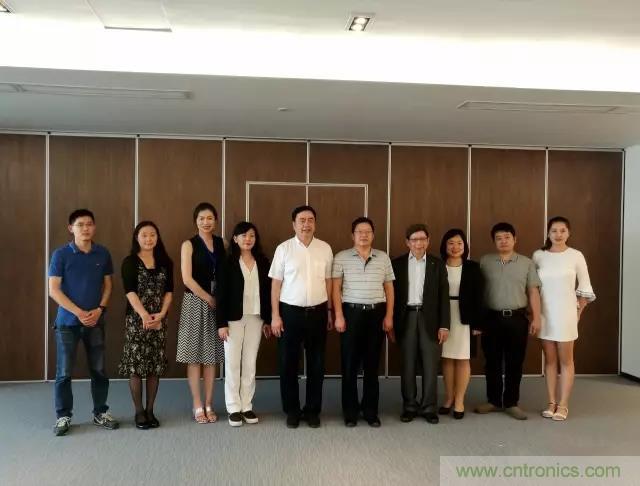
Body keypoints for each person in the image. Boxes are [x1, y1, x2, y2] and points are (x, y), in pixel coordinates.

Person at [48, 209, 119, 436]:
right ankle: (63, 416)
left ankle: (100, 412)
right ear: (71, 228)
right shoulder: (61, 255)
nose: (85, 228)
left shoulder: (102, 253)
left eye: (89, 224)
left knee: (99, 370)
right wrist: (79, 312)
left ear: (94, 227)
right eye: (80, 225)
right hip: (67, 323)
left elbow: (108, 285)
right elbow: (53, 290)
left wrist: (100, 310)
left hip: (95, 321)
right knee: (64, 372)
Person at [269, 205, 333, 429]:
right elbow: (275, 285)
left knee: (317, 364)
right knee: (288, 363)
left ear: (315, 223)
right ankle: (292, 410)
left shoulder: (325, 248)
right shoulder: (283, 249)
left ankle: (312, 410)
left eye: (310, 220)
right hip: (290, 313)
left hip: (318, 312)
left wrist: (329, 312)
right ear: (294, 224)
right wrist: (275, 316)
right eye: (302, 220)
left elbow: (328, 282)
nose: (306, 224)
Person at [475, 222, 542, 420]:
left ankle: (512, 402)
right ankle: (494, 400)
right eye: (499, 238)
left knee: (515, 362)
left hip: (517, 318)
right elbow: (477, 292)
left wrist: (536, 317)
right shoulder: (485, 261)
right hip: (491, 319)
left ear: (515, 239)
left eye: (507, 237)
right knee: (492, 361)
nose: (503, 241)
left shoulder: (526, 263)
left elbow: (533, 291)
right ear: (494, 241)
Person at [332, 217, 395, 427]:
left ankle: (370, 411)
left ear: (373, 235)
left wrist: (389, 315)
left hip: (376, 314)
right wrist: (338, 315)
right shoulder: (341, 257)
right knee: (349, 365)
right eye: (360, 231)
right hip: (351, 314)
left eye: (368, 231)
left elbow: (389, 289)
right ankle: (350, 412)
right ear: (353, 235)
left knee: (372, 365)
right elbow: (335, 289)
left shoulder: (383, 258)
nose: (364, 235)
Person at [533, 216, 595, 421]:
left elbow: (585, 287)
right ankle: (551, 402)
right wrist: (535, 314)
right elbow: (533, 287)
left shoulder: (576, 255)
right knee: (550, 361)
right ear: (548, 233)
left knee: (566, 361)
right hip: (545, 314)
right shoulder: (539, 256)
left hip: (567, 314)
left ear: (569, 233)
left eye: (562, 230)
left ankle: (563, 404)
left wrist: (577, 313)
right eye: (554, 231)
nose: (558, 235)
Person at [392, 224, 450, 425]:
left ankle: (429, 407)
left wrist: (444, 325)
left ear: (428, 241)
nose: (419, 243)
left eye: (422, 239)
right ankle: (409, 406)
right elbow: (391, 295)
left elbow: (444, 297)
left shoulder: (437, 264)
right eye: (414, 239)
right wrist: (391, 323)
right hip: (406, 317)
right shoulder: (397, 264)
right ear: (407, 242)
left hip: (430, 319)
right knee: (407, 364)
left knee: (430, 365)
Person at [118, 221, 173, 429]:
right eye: (144, 235)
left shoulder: (165, 261)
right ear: (137, 238)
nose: (149, 239)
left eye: (152, 235)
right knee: (135, 365)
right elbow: (130, 291)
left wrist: (161, 314)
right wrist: (144, 315)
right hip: (136, 320)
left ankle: (150, 410)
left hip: (159, 320)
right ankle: (139, 412)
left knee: (154, 366)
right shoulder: (130, 262)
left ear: (157, 237)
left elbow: (169, 292)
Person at [176, 202, 226, 424]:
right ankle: (197, 404)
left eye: (210, 218)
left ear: (216, 220)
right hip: (195, 302)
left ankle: (209, 403)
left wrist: (219, 300)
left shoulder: (222, 243)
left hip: (218, 303)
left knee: (211, 357)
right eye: (201, 218)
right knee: (194, 356)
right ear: (195, 221)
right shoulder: (189, 245)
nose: (206, 222)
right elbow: (187, 279)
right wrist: (208, 298)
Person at [218, 221, 272, 427]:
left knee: (250, 363)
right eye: (243, 235)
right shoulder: (227, 262)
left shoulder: (263, 261)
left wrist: (267, 320)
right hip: (233, 319)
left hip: (256, 318)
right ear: (235, 239)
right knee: (233, 363)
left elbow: (268, 292)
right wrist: (221, 323)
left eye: (252, 235)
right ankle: (233, 407)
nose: (248, 239)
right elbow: (221, 294)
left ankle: (246, 406)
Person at [438, 229, 484, 420]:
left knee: (463, 359)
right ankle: (449, 398)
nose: (455, 247)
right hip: (443, 316)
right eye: (451, 243)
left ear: (465, 246)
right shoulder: (438, 266)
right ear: (444, 246)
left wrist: (478, 323)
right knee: (447, 358)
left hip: (465, 317)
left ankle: (459, 400)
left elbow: (480, 296)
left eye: (459, 243)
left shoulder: (473, 267)